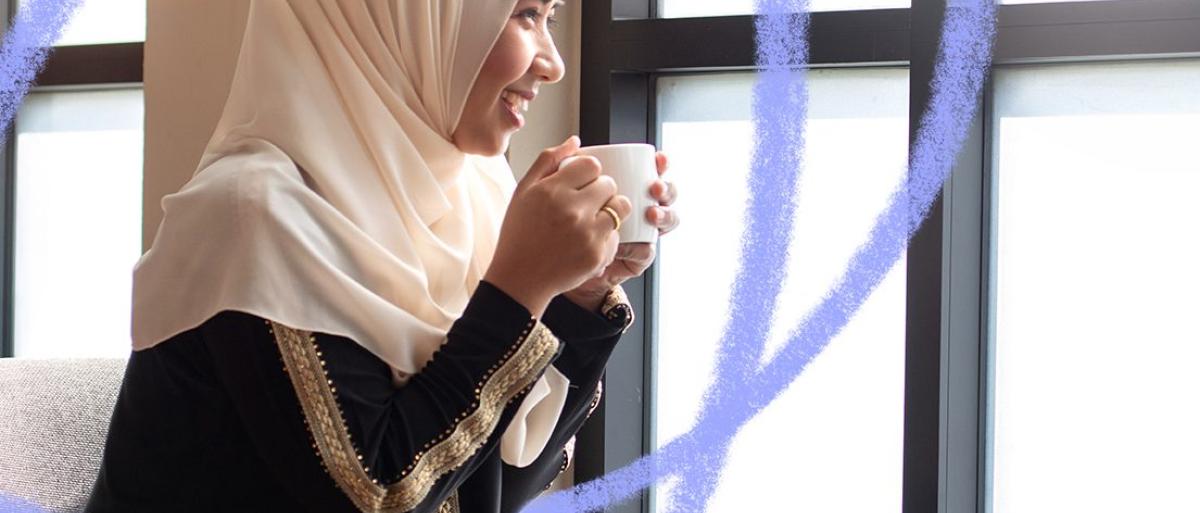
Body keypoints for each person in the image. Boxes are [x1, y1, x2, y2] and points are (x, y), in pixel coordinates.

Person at [83, 1, 680, 512]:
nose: (552, 63)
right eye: (524, 14)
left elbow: (489, 485)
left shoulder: (474, 193)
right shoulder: (251, 216)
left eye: (549, 16)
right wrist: (518, 289)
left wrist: (576, 296)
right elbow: (381, 495)